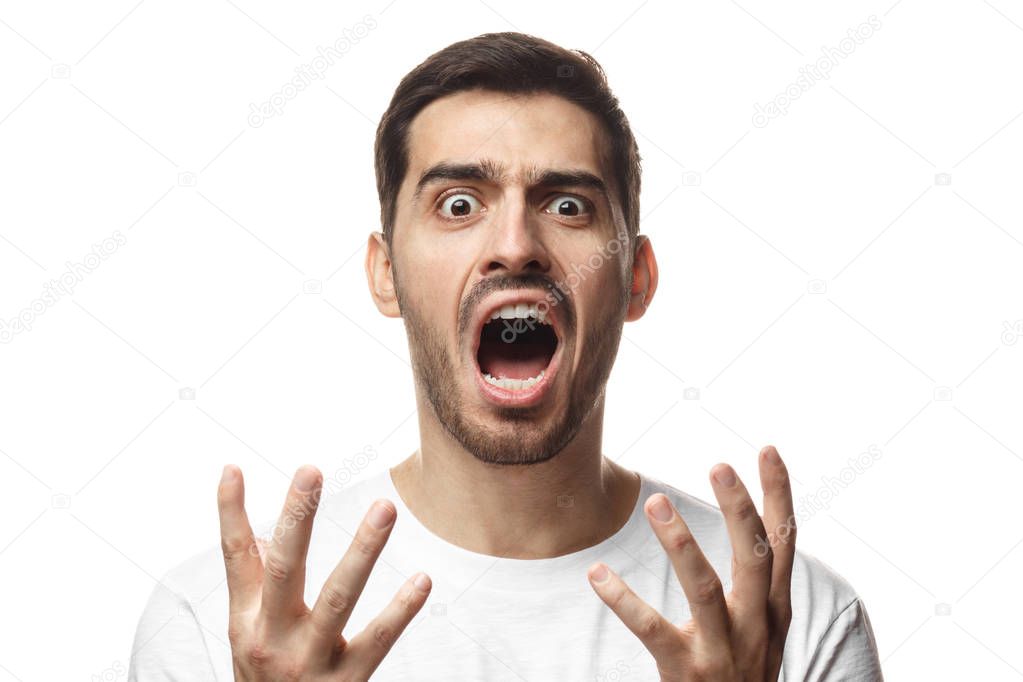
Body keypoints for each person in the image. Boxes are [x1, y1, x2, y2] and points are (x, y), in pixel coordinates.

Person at [128, 32, 883, 681]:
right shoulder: (230, 625)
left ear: (635, 278)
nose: (516, 246)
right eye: (458, 204)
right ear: (384, 273)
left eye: (567, 206)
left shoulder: (786, 619)